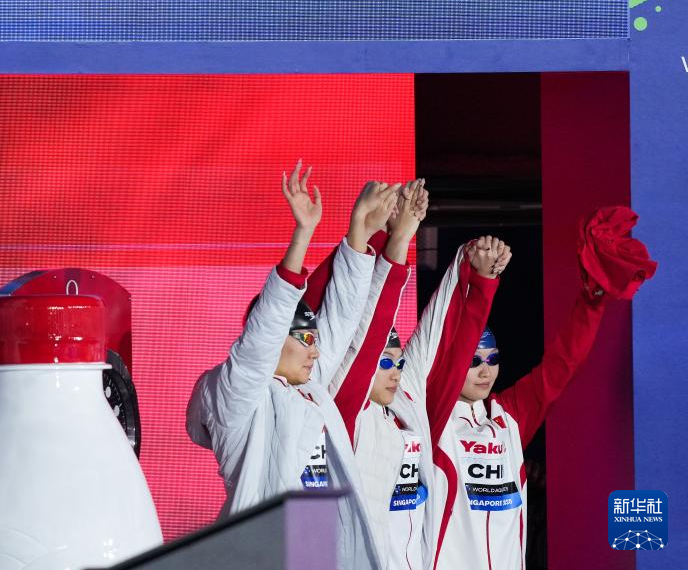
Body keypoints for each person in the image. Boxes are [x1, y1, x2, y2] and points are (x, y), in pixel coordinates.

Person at [186, 161, 399, 570]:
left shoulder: (309, 391)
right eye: (305, 339)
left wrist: (360, 233)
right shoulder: (239, 398)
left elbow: (342, 316)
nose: (316, 352)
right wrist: (303, 234)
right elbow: (264, 331)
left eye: (315, 341)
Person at [431, 206, 656, 570]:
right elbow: (450, 337)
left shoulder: (509, 416)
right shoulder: (432, 417)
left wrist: (592, 299)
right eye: (474, 361)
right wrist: (480, 279)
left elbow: (562, 364)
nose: (486, 370)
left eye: (492, 358)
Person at [308, 180, 512, 570]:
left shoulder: (407, 405)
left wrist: (477, 276)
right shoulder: (345, 411)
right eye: (384, 362)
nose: (396, 371)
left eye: (398, 362)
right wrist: (384, 237)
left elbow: (440, 338)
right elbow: (362, 319)